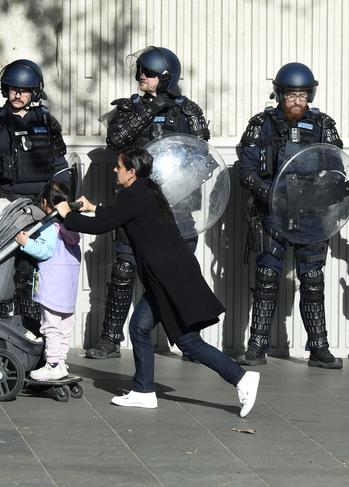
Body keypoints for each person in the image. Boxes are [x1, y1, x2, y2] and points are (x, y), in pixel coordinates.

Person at [56, 147, 260, 417]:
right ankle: (143, 391)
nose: (115, 170)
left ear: (132, 172)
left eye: (119, 167)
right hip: (169, 275)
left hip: (169, 279)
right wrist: (95, 207)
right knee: (140, 327)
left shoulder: (133, 196)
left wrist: (66, 215)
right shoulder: (146, 190)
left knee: (188, 342)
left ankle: (241, 378)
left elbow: (101, 225)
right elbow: (120, 215)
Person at [87, 45, 210, 359]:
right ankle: (110, 338)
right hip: (137, 206)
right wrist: (148, 108)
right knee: (125, 267)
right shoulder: (131, 109)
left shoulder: (188, 111)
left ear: (166, 77)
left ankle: (189, 340)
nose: (142, 76)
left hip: (176, 207)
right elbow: (115, 140)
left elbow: (202, 154)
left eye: (150, 73)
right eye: (140, 70)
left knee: (177, 273)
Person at [237, 62, 344, 368]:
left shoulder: (323, 125)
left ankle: (319, 347)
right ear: (279, 95)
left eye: (303, 95)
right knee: (267, 278)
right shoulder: (262, 124)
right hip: (272, 213)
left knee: (312, 280)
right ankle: (257, 345)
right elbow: (245, 171)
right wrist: (268, 193)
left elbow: (338, 164)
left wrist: (322, 190)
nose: (298, 101)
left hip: (312, 215)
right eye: (291, 96)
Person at [0, 59, 69, 334]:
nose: (17, 95)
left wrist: (62, 208)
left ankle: (33, 334)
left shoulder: (48, 123)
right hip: (5, 207)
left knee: (33, 273)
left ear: (34, 92)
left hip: (40, 210)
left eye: (24, 90)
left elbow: (60, 169)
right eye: (13, 89)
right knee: (1, 272)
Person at [15, 182, 81, 381]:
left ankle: (52, 363)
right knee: (64, 327)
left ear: (45, 202)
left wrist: (26, 242)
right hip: (68, 290)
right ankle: (60, 361)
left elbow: (44, 251)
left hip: (52, 286)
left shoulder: (49, 226)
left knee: (50, 326)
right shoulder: (72, 228)